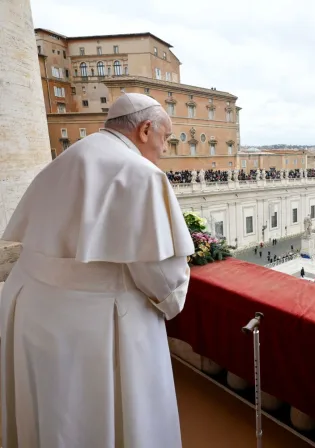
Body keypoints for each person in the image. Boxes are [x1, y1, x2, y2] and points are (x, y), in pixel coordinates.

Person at [0, 94, 194, 447]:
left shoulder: (65, 158)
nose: (164, 149)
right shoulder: (141, 174)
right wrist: (176, 293)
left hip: (33, 311)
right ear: (145, 129)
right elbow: (161, 277)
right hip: (95, 329)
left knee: (50, 414)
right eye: (165, 138)